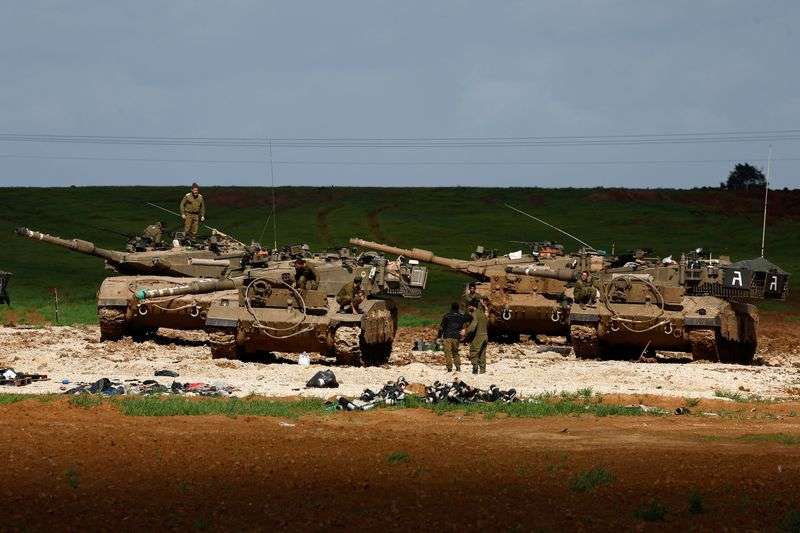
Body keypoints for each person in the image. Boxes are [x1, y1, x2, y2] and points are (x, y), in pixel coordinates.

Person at [437, 302, 468, 372]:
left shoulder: (447, 316)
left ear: (451, 308)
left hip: (447, 336)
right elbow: (464, 326)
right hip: (456, 337)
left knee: (448, 352)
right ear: (458, 308)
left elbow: (441, 327)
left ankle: (449, 368)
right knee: (455, 352)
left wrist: (439, 336)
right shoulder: (461, 316)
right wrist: (463, 336)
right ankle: (458, 367)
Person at [462, 300, 488, 374]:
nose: (468, 308)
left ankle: (475, 369)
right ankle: (482, 370)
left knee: (473, 351)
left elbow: (473, 327)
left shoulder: (475, 314)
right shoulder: (483, 314)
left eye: (469, 306)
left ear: (472, 306)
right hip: (485, 336)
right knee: (482, 353)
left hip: (479, 336)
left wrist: (465, 331)